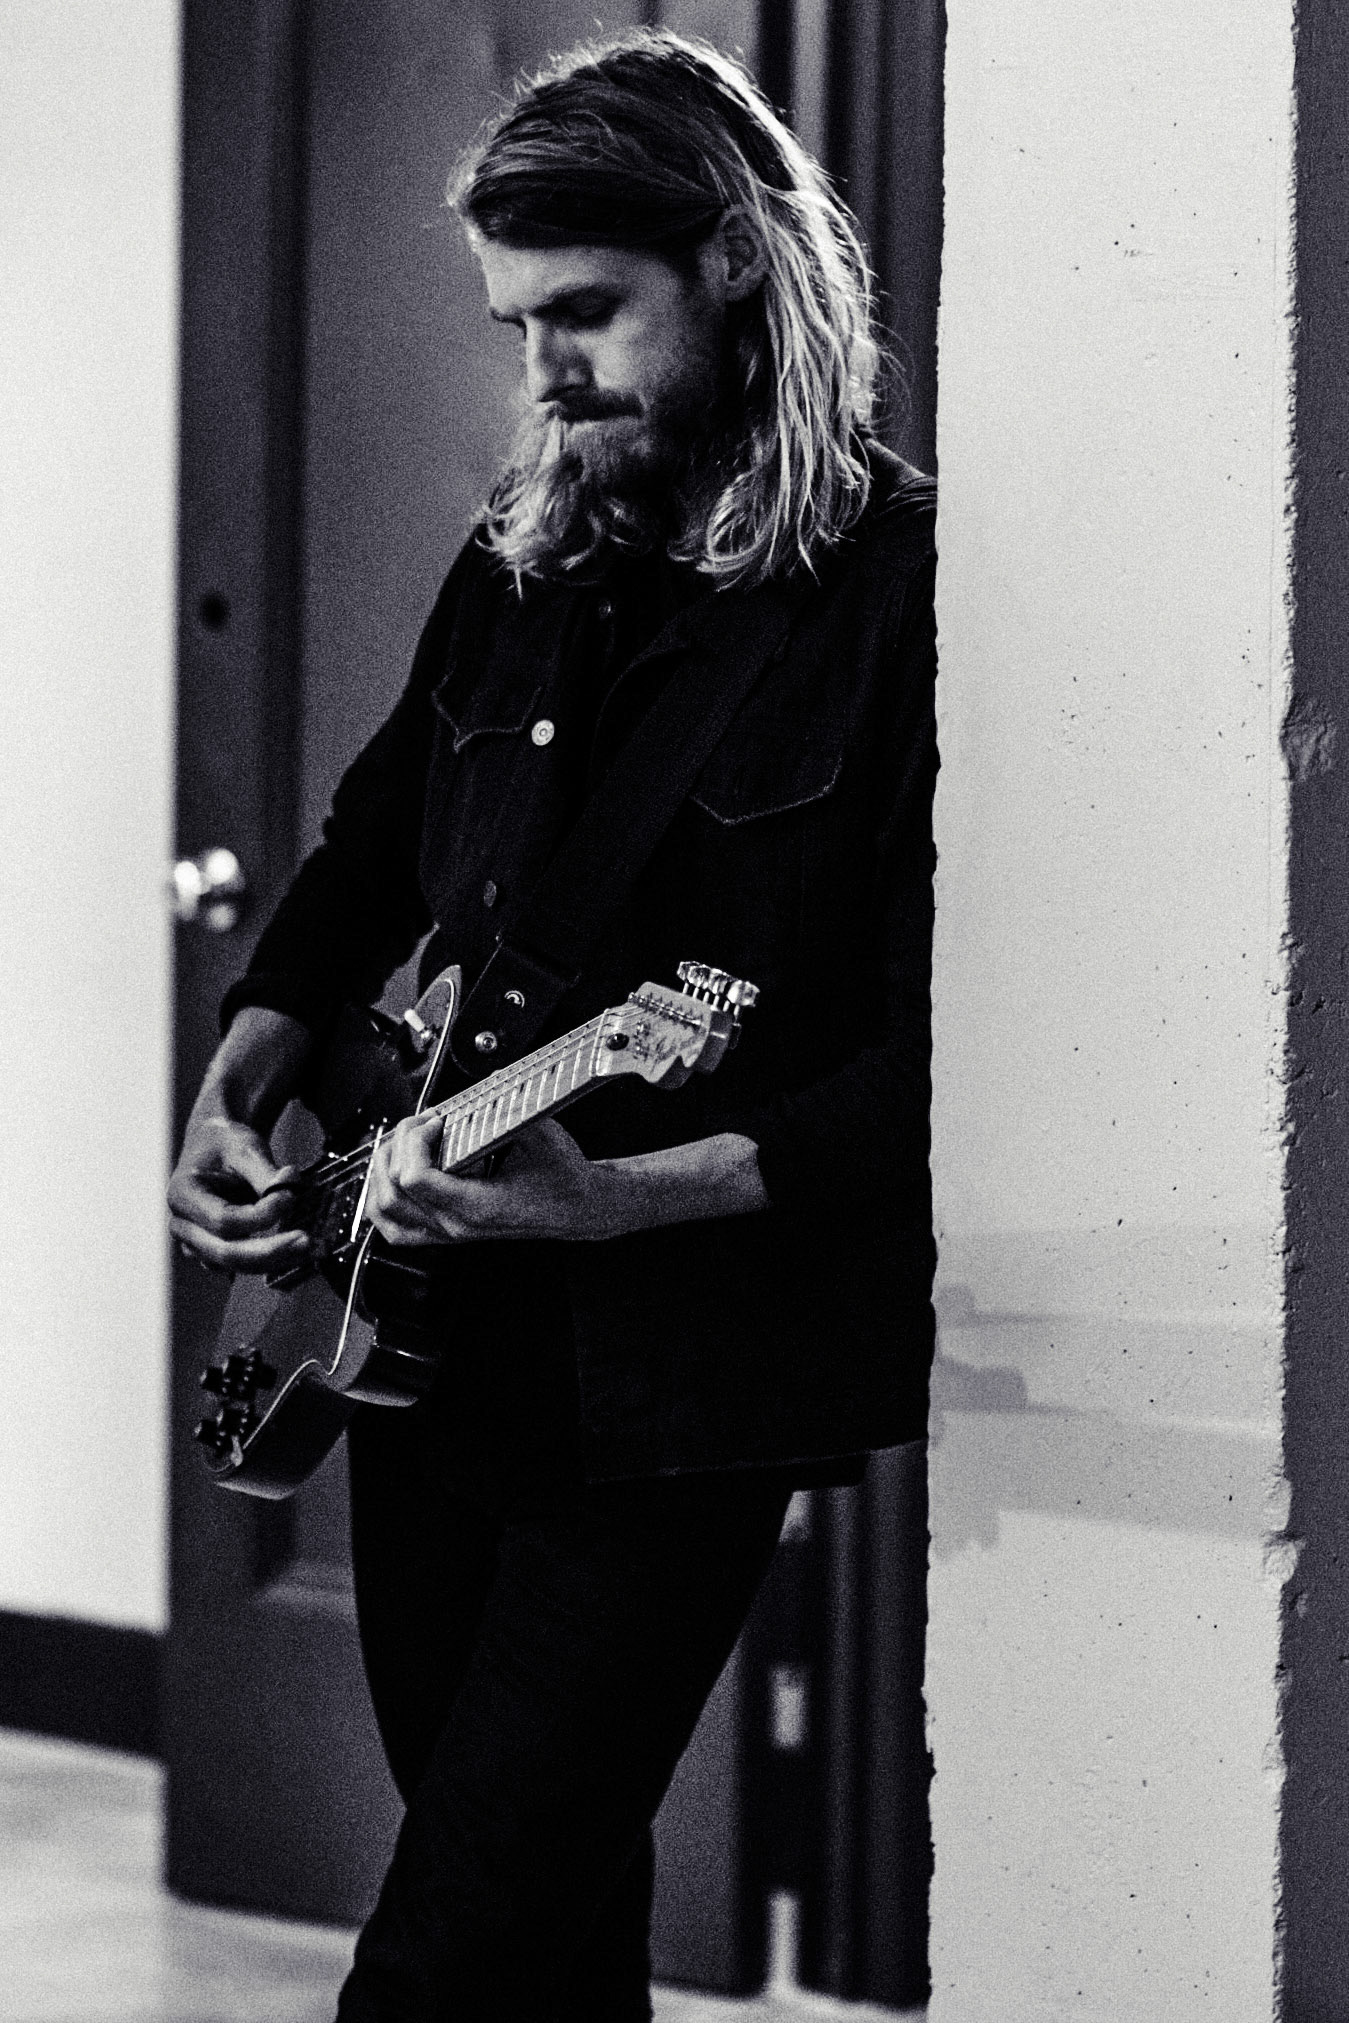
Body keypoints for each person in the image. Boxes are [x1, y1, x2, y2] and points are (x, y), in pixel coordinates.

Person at [167, 28, 937, 2022]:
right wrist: (249, 1068)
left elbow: (936, 1067)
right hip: (420, 1341)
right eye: (518, 325)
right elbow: (368, 848)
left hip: (681, 1382)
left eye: (586, 313)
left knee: (444, 1958)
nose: (545, 374)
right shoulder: (523, 557)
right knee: (547, 1941)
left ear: (737, 265)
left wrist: (624, 1198)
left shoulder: (899, 599)